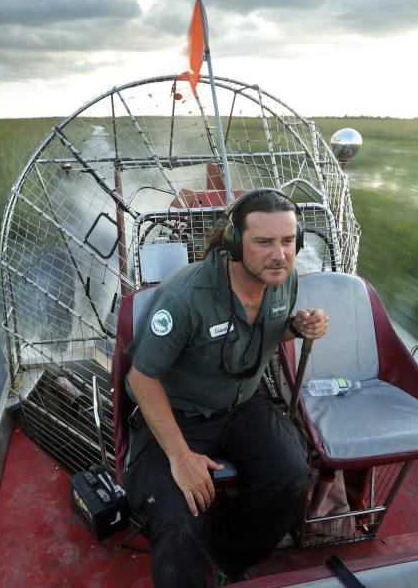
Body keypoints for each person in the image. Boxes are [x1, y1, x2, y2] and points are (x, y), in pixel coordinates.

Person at [124, 188, 329, 587]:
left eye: (288, 242)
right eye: (264, 242)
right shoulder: (185, 297)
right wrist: (181, 457)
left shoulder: (284, 282)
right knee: (177, 513)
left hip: (242, 405)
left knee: (289, 474)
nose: (279, 254)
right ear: (235, 243)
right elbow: (141, 377)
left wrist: (297, 327)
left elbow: (266, 332)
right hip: (178, 412)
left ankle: (226, 554)